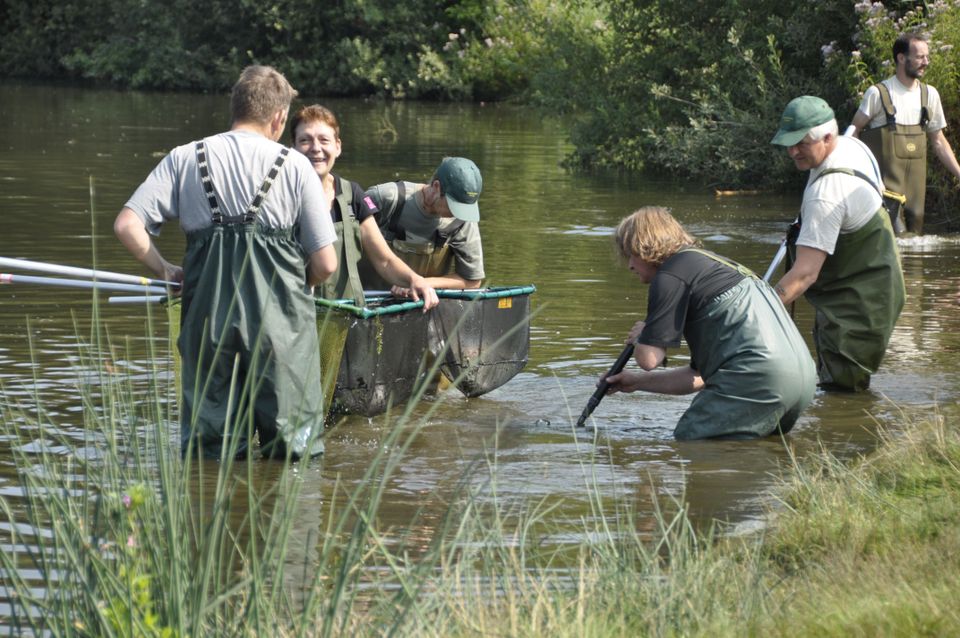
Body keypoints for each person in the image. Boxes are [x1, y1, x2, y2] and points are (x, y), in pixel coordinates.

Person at [114, 65, 337, 460]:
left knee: (210, 453)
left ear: (234, 107)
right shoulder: (295, 165)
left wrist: (165, 269)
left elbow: (127, 224)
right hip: (281, 331)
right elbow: (326, 263)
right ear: (278, 118)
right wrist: (303, 283)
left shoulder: (186, 157)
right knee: (293, 453)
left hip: (208, 322)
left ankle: (209, 499)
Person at [603, 207, 816, 440]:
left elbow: (649, 360)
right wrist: (637, 382)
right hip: (802, 382)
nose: (629, 265)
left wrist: (643, 336)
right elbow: (699, 377)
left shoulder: (669, 276)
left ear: (645, 247)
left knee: (692, 439)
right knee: (758, 449)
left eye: (630, 254)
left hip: (759, 379)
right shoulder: (716, 266)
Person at [771, 95, 905, 392]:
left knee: (842, 397)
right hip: (881, 282)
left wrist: (760, 307)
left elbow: (804, 275)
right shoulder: (852, 145)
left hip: (857, 304)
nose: (792, 152)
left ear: (827, 137)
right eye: (788, 143)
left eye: (801, 143)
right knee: (846, 386)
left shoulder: (826, 194)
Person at [289, 104, 438, 309]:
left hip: (347, 313)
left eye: (324, 140)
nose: (316, 148)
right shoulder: (279, 196)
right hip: (296, 313)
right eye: (305, 140)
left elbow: (384, 260)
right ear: (292, 148)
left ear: (338, 147)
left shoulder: (353, 195)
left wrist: (416, 280)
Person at [851, 32, 960, 234]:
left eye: (927, 57)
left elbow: (938, 141)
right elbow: (853, 132)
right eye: (920, 57)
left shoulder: (930, 95)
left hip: (915, 191)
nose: (926, 62)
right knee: (894, 234)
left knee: (915, 237)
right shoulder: (878, 93)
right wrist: (866, 176)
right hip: (883, 187)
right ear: (901, 58)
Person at [362, 157, 484, 291]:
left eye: (465, 208)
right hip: (367, 296)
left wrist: (422, 284)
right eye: (455, 206)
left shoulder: (463, 219)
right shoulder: (385, 198)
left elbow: (472, 281)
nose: (459, 214)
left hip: (424, 300)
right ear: (436, 187)